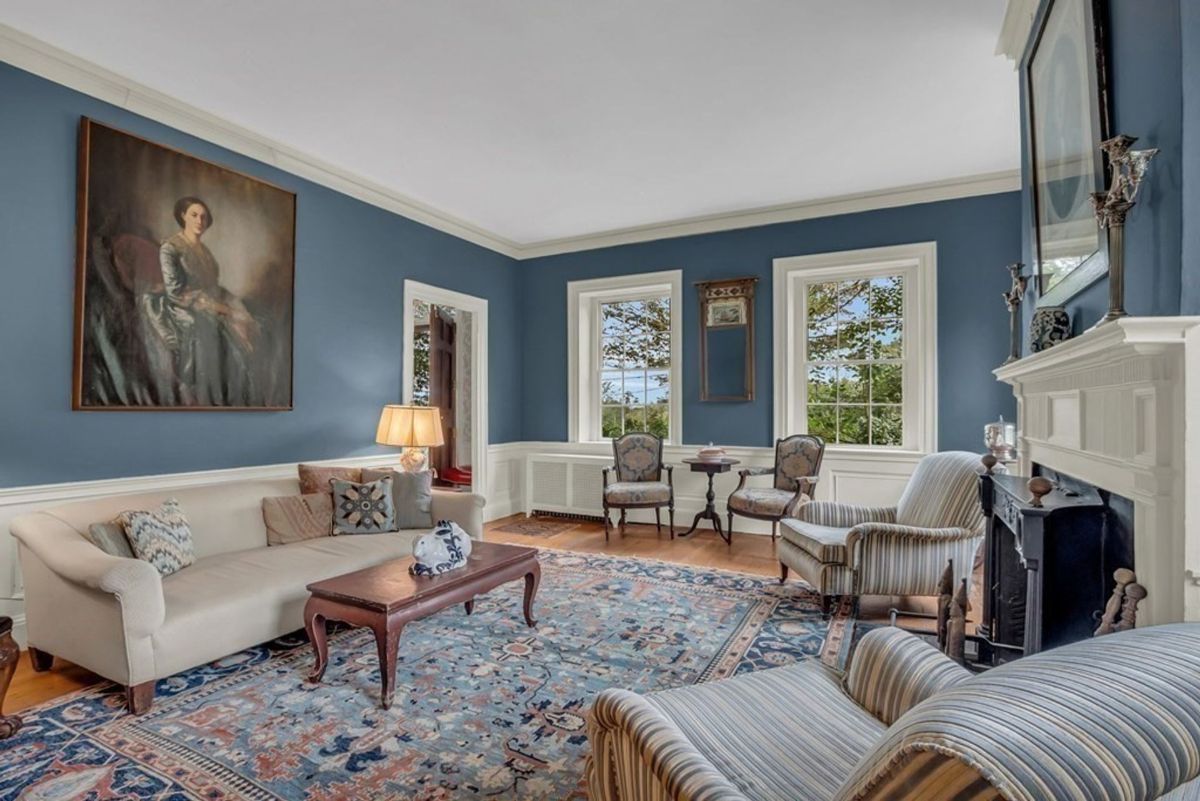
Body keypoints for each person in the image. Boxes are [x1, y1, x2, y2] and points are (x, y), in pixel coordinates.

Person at [141, 196, 259, 405]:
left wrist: (231, 308)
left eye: (203, 217)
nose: (199, 221)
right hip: (180, 303)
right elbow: (174, 291)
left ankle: (236, 397)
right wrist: (214, 307)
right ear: (183, 216)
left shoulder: (206, 253)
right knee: (201, 328)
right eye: (194, 215)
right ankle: (194, 390)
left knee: (246, 325)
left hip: (208, 301)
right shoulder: (170, 248)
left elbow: (212, 286)